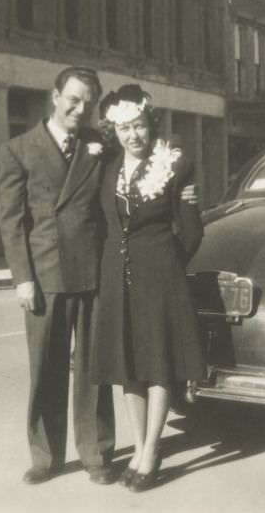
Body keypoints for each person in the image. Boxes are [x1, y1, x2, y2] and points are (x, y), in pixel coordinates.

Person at [0, 66, 115, 485]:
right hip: (44, 276)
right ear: (55, 96)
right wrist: (22, 279)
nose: (80, 109)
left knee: (92, 370)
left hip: (92, 271)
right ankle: (45, 457)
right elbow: (12, 223)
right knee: (45, 369)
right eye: (74, 99)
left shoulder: (100, 145)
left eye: (89, 102)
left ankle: (96, 453)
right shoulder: (18, 150)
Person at [90, 84, 205, 493]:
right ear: (114, 132)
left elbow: (192, 231)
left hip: (160, 278)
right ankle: (137, 446)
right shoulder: (108, 168)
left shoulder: (175, 166)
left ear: (149, 124)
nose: (132, 136)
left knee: (158, 364)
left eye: (138, 126)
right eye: (123, 129)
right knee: (128, 368)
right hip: (116, 280)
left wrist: (168, 266)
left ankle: (152, 451)